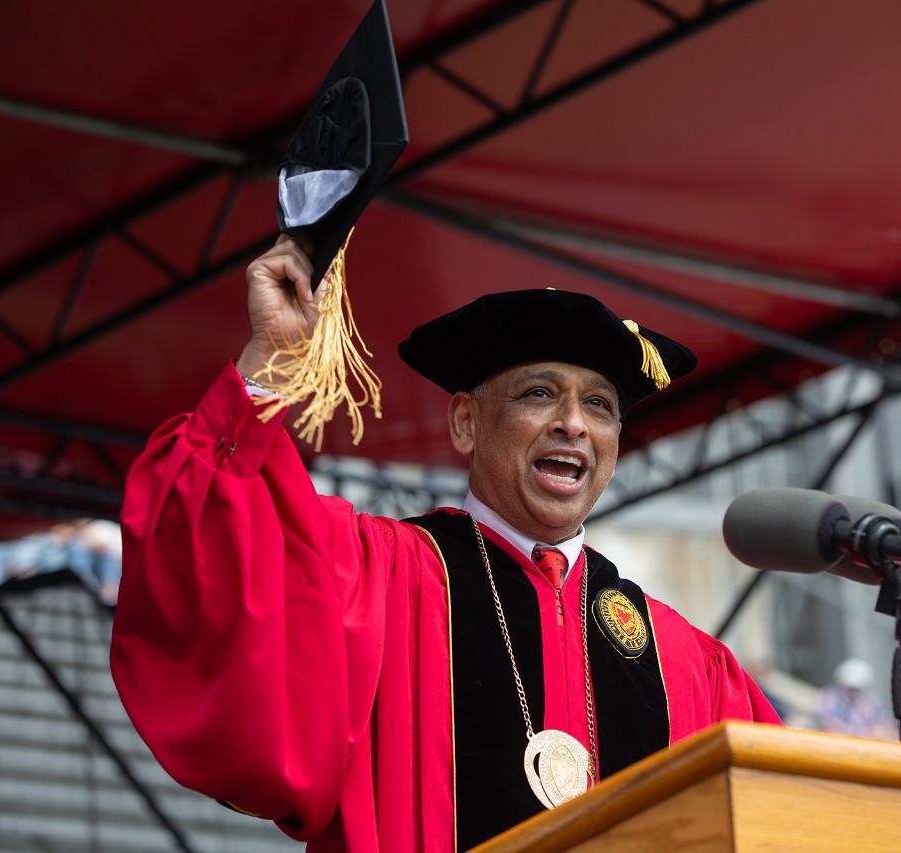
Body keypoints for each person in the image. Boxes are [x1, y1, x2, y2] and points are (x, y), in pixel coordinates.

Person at [110, 235, 782, 853]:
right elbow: (207, 540)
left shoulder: (684, 663)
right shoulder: (375, 578)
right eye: (539, 393)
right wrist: (270, 362)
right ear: (466, 423)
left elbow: (783, 812)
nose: (573, 424)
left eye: (600, 405)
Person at [816, 658, 897, 741]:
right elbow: (828, 728)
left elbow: (886, 728)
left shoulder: (870, 700)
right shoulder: (829, 698)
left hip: (865, 744)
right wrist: (863, 734)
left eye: (855, 689)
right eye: (849, 688)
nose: (851, 693)